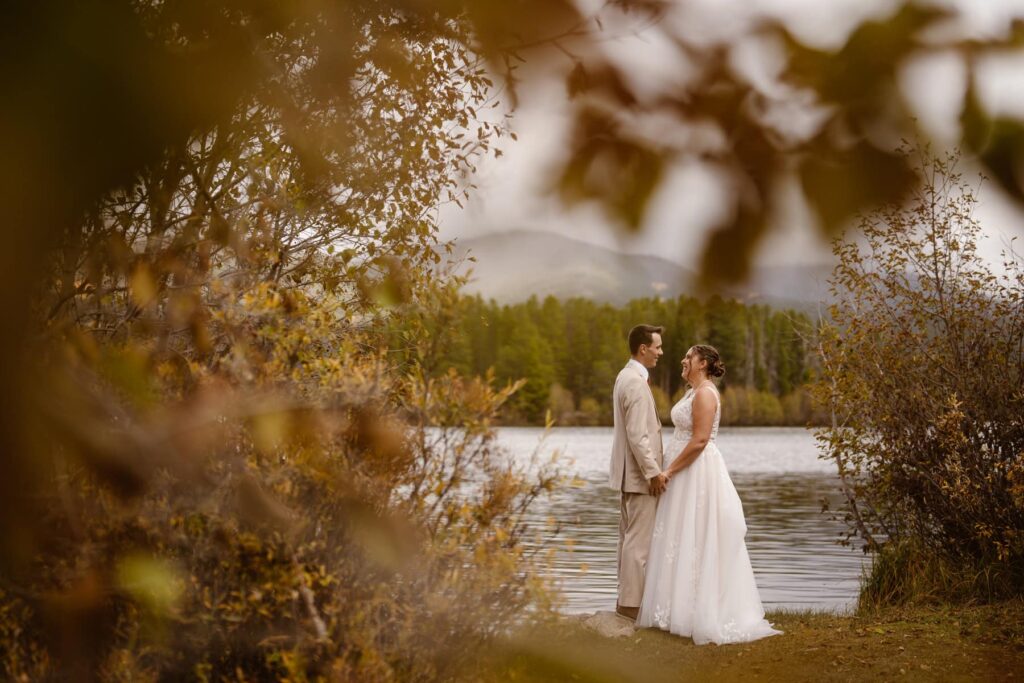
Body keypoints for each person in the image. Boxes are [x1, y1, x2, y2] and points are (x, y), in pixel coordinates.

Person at [636, 344, 781, 644]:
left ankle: (700, 613)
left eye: (689, 357)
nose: (683, 360)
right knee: (680, 537)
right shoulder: (693, 392)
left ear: (703, 364)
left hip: (695, 473)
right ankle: (676, 611)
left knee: (697, 535)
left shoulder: (704, 394)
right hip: (684, 470)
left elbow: (700, 440)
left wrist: (669, 472)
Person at [609, 324, 668, 620]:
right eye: (657, 347)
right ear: (642, 349)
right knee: (638, 545)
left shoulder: (625, 376)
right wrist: (653, 473)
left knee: (628, 541)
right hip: (638, 477)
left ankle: (625, 604)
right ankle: (631, 609)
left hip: (627, 476)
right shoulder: (634, 381)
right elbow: (637, 435)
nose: (660, 352)